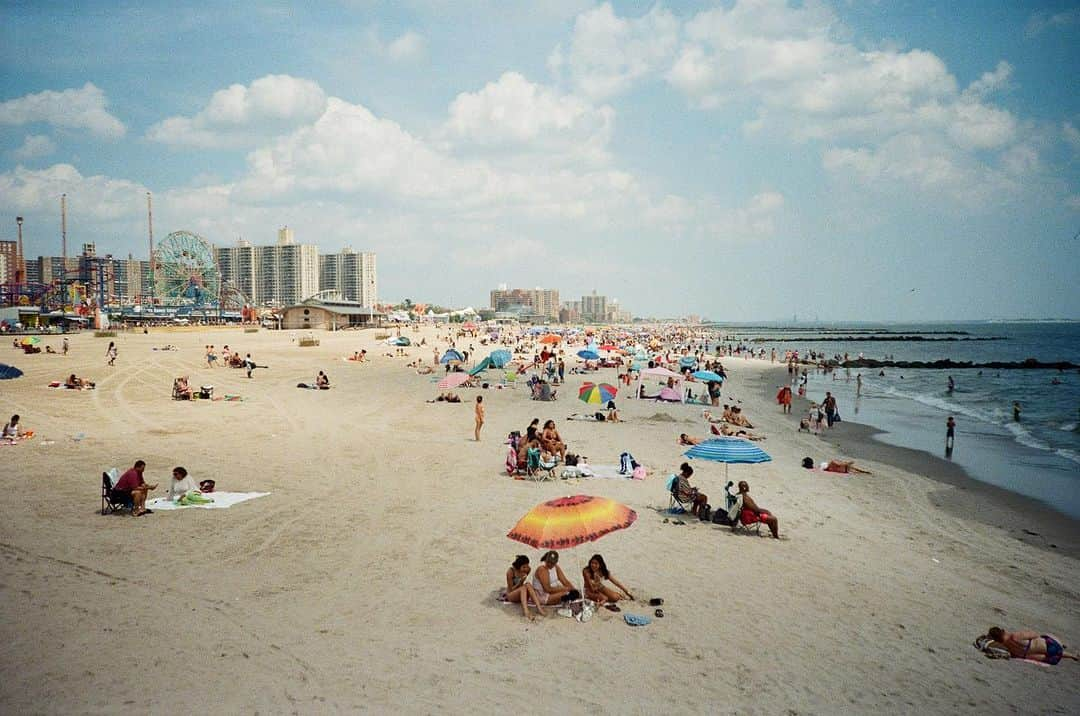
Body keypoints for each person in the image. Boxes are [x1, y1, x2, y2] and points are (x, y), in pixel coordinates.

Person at [986, 627, 1078, 665]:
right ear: (1003, 631)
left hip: (1049, 659)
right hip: (1052, 647)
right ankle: (1062, 646)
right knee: (1045, 636)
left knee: (1025, 654)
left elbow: (1013, 656)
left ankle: (1072, 656)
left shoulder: (1006, 647)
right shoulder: (1015, 636)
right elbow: (1035, 635)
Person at [504, 555, 546, 620]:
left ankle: (539, 608)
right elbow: (511, 589)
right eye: (523, 567)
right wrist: (520, 583)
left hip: (521, 592)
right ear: (518, 565)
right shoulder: (510, 572)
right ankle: (526, 611)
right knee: (523, 587)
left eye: (526, 566)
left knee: (528, 584)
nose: (525, 568)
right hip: (511, 595)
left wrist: (523, 580)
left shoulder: (528, 569)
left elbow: (527, 574)